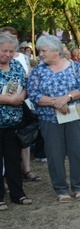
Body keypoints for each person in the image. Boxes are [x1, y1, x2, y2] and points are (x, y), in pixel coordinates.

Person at [27, 34, 80, 203]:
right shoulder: (38, 71)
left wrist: (66, 98)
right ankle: (61, 190)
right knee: (55, 154)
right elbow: (33, 94)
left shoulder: (75, 67)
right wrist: (56, 102)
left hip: (74, 115)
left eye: (43, 50)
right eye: (39, 51)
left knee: (78, 152)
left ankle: (78, 187)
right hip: (49, 119)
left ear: (56, 50)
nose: (40, 54)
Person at [0, 32, 33, 209]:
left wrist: (21, 95)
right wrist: (9, 100)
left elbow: (26, 85)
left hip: (14, 121)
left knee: (13, 159)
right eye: (4, 50)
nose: (8, 54)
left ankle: (17, 194)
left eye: (11, 51)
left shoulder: (16, 65)